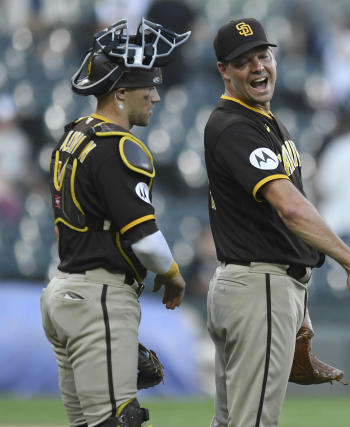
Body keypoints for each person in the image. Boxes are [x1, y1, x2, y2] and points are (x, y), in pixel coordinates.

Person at [204, 17, 350, 427]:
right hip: (258, 287)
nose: (257, 67)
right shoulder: (236, 126)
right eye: (242, 61)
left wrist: (297, 296)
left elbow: (280, 220)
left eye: (263, 55)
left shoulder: (263, 121)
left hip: (262, 284)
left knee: (231, 420)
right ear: (223, 70)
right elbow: (290, 207)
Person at [40, 18, 190, 427]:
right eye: (148, 88)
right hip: (98, 297)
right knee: (116, 422)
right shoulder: (120, 147)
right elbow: (144, 237)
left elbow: (62, 224)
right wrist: (173, 274)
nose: (156, 97)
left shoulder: (73, 136)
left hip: (63, 291)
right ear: (121, 93)